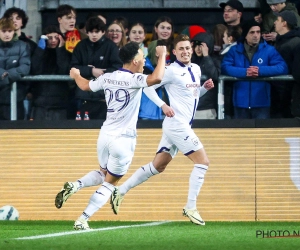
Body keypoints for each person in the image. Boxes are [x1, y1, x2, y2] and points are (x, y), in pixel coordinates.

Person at [54, 42, 168, 230]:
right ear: (134, 61)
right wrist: (162, 55)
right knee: (111, 183)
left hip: (105, 135)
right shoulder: (135, 79)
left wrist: (76, 75)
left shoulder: (108, 77)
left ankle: (76, 185)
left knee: (102, 173)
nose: (144, 60)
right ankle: (83, 219)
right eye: (142, 57)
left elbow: (85, 86)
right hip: (124, 139)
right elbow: (156, 78)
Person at [110, 34, 214, 226]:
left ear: (192, 50)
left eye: (187, 48)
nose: (185, 52)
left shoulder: (196, 69)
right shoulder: (170, 71)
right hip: (177, 124)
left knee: (158, 166)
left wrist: (204, 89)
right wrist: (162, 105)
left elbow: (190, 95)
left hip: (179, 125)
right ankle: (191, 207)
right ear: (174, 52)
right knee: (202, 162)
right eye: (181, 49)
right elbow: (148, 87)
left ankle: (120, 190)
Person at [221, 19, 289, 119]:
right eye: (252, 32)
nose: (256, 35)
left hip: (262, 102)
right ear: (245, 35)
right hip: (240, 102)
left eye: (258, 32)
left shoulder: (269, 50)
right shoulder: (234, 50)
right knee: (241, 133)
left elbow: (282, 67)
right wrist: (245, 72)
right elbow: (225, 67)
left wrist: (260, 71)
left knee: (262, 134)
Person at [71, 17, 123, 120]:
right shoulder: (81, 46)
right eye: (91, 31)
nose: (94, 35)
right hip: (84, 97)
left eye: (97, 31)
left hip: (103, 98)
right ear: (87, 32)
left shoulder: (111, 47)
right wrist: (91, 71)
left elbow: (118, 68)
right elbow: (73, 67)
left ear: (103, 32)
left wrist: (101, 73)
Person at [3, 7, 37, 120]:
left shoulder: (28, 45)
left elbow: (30, 67)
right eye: (10, 18)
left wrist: (30, 90)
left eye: (17, 18)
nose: (14, 21)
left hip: (21, 93)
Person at [30, 25, 70, 120]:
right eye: (49, 38)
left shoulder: (67, 54)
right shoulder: (38, 53)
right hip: (40, 102)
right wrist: (40, 50)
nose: (53, 40)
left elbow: (63, 70)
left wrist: (60, 50)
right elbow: (35, 69)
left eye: (56, 37)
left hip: (59, 103)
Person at [0, 18, 30, 120]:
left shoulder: (22, 46)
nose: (7, 34)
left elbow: (25, 67)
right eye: (3, 31)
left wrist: (6, 75)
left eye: (10, 31)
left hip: (16, 97)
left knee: (17, 132)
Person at [272, 10, 300, 118]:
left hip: (290, 97)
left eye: (277, 20)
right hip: (280, 95)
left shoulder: (296, 43)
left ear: (284, 23)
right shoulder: (280, 42)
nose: (275, 22)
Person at [191, 32, 221, 119]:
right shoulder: (190, 60)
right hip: (189, 107)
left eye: (202, 46)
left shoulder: (215, 59)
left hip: (206, 108)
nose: (198, 49)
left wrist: (206, 56)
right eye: (196, 46)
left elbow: (214, 75)